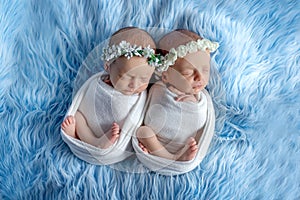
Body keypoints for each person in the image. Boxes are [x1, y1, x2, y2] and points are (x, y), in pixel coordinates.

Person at [61, 27, 160, 149]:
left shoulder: (143, 96)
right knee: (76, 116)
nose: (134, 85)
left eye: (144, 79)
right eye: (125, 77)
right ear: (108, 66)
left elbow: (143, 116)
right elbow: (85, 101)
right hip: (89, 128)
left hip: (117, 135)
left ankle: (94, 141)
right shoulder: (97, 82)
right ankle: (87, 139)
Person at [136, 29, 219, 161]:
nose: (199, 77)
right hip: (159, 139)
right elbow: (143, 109)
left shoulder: (200, 97)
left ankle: (176, 155)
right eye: (188, 73)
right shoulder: (157, 88)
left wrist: (194, 102)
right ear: (165, 76)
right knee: (142, 132)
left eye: (205, 70)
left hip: (186, 142)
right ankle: (170, 157)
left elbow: (201, 118)